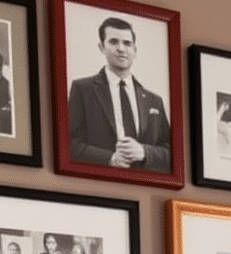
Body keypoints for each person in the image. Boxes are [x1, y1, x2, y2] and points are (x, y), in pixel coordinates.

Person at [67, 15, 172, 171]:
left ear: (135, 50)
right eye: (113, 42)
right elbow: (69, 143)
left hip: (144, 188)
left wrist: (144, 152)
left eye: (127, 43)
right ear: (101, 47)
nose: (121, 49)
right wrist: (109, 159)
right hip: (99, 182)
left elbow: (172, 153)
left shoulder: (154, 101)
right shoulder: (83, 89)